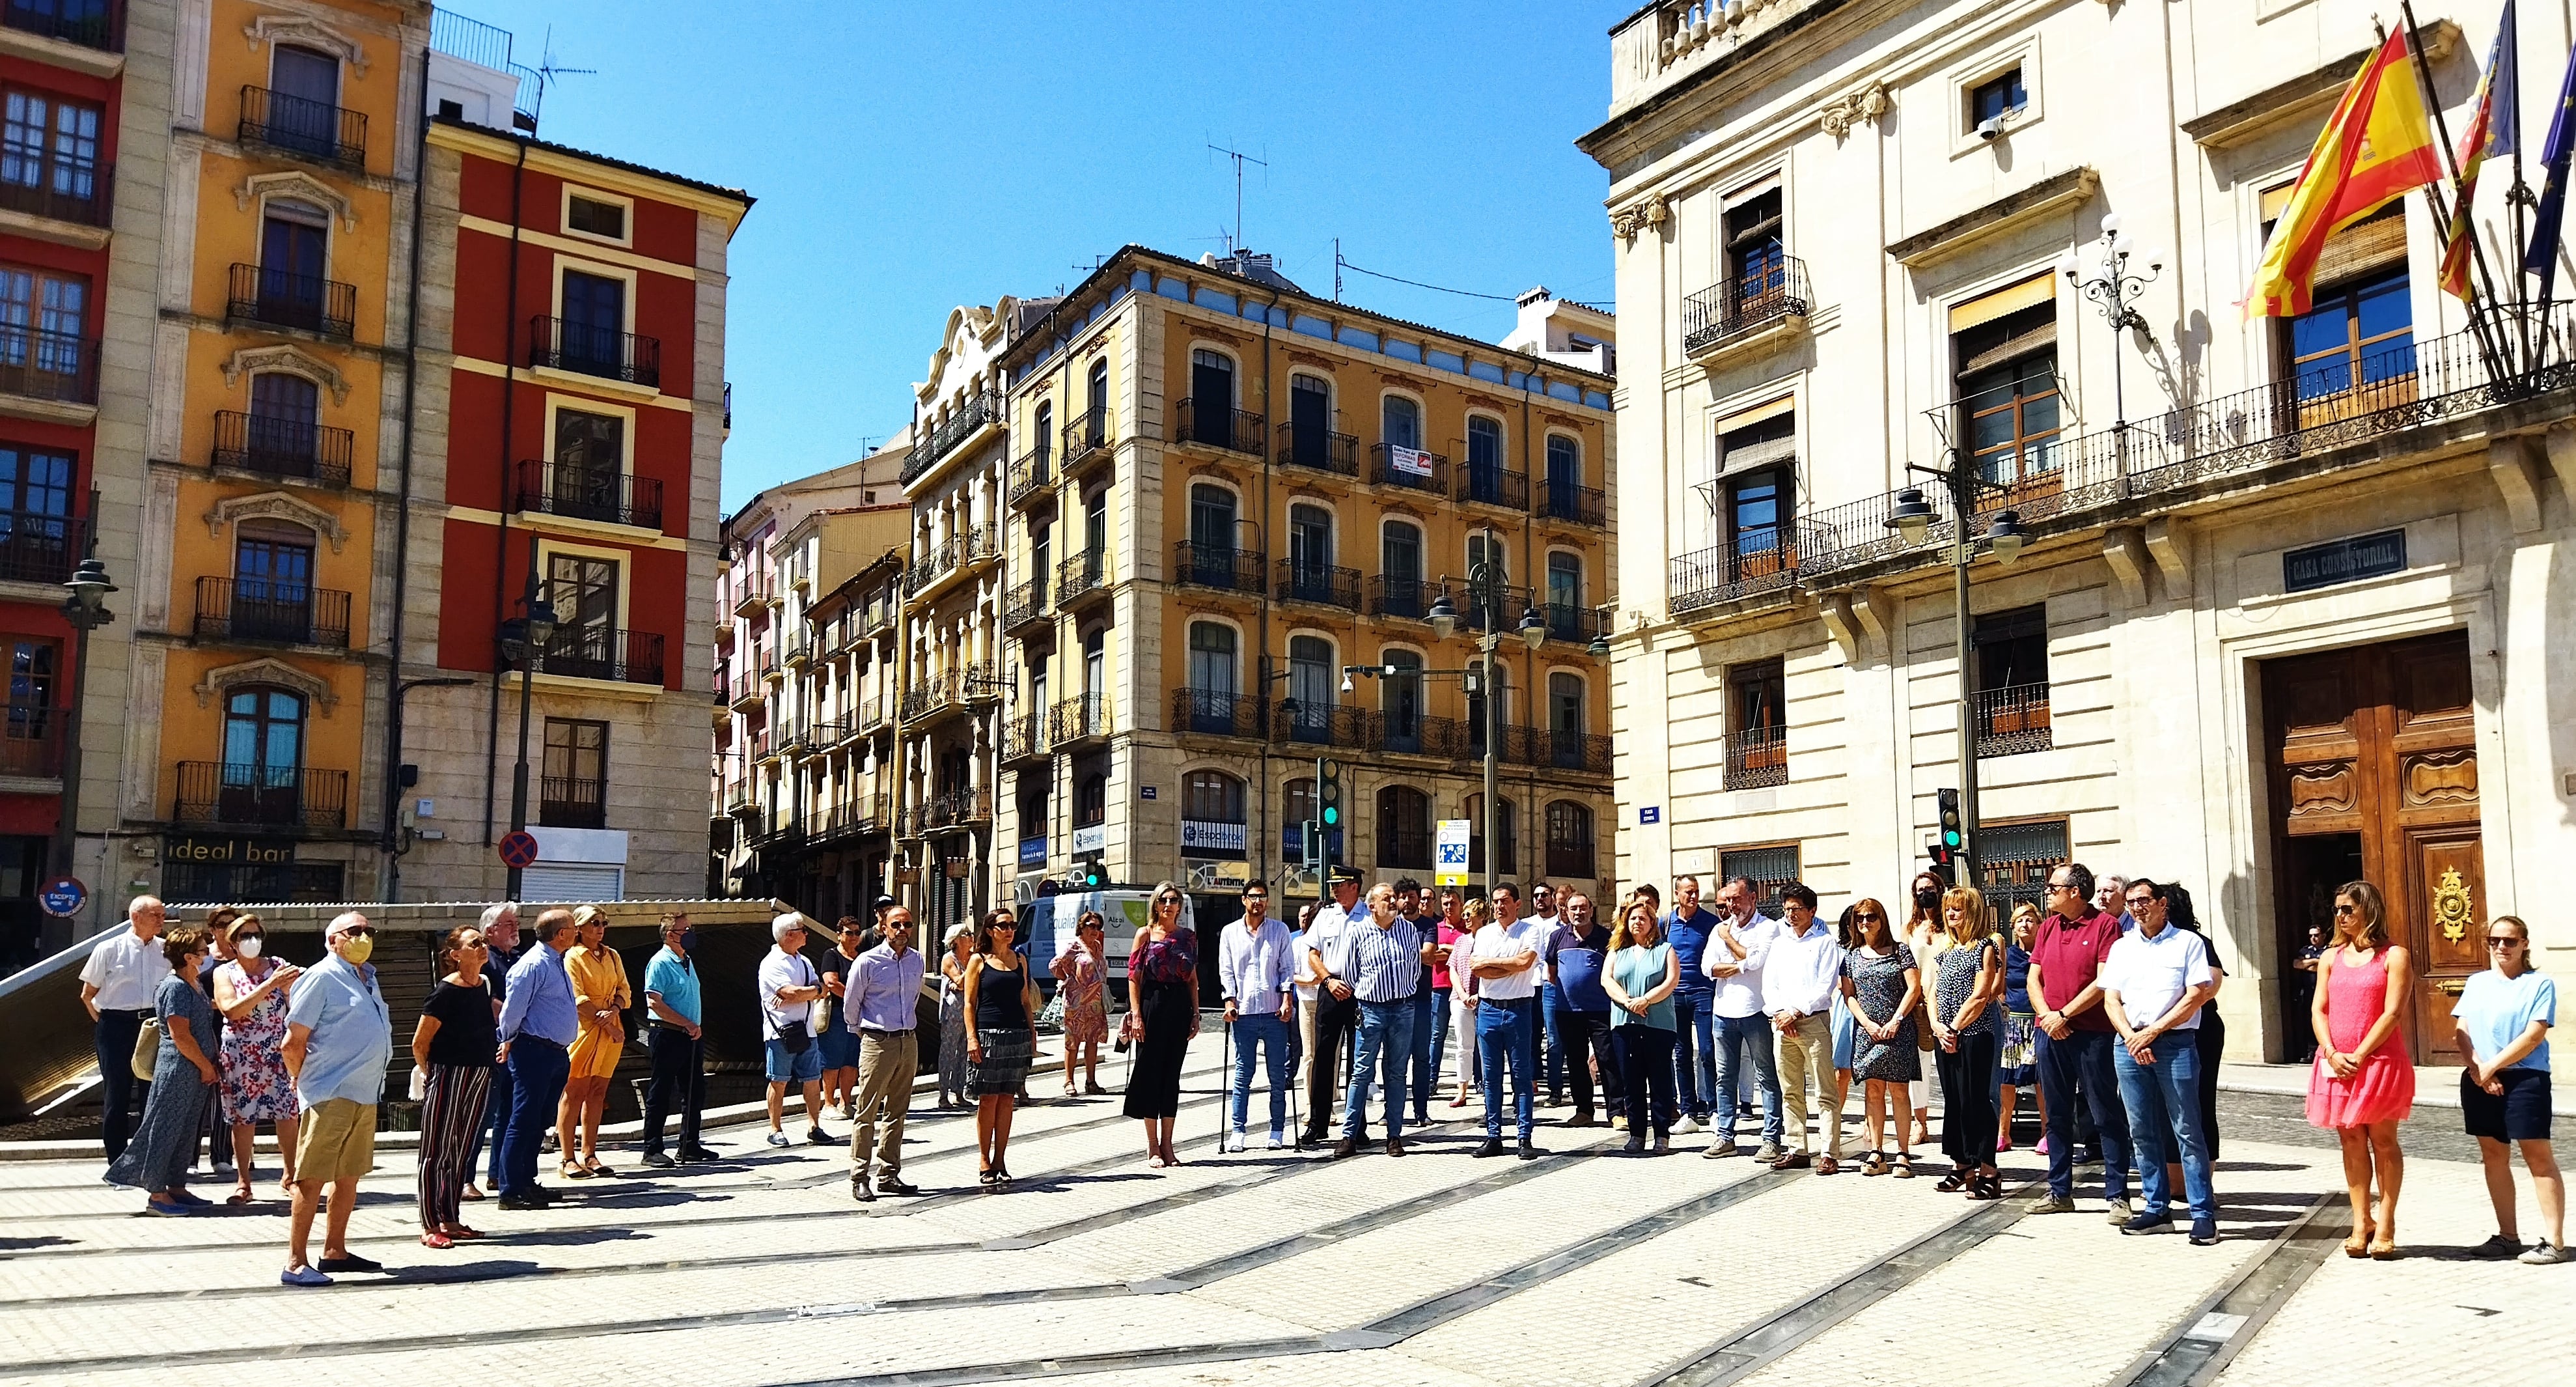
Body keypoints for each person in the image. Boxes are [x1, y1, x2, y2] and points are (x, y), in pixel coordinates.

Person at [2101, 878, 2221, 1244]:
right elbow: (2111, 999)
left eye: (2144, 900)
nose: (2138, 908)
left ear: (2162, 903)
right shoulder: (2122, 947)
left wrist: (2153, 1032)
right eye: (2132, 902)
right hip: (2129, 1044)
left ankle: (2202, 1214)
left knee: (2188, 1129)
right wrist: (2131, 1036)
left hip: (2174, 1044)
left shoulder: (2188, 943)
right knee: (2141, 1130)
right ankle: (2157, 1209)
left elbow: (2196, 995)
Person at [279, 912, 393, 1286]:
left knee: (348, 1176)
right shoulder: (321, 976)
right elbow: (293, 1042)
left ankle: (335, 1251)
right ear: (333, 940)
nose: (364, 937)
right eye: (355, 931)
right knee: (311, 1178)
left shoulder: (367, 977)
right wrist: (300, 1079)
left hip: (365, 1092)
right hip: (330, 1092)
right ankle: (296, 1262)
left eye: (368, 931)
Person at [2305, 879, 2414, 1258]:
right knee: (2350, 1141)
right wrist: (2332, 1052)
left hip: (2379, 1061)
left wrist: (2361, 1054)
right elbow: (2319, 1009)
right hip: (2336, 1063)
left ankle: (2386, 1222)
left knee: (2383, 1142)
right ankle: (2360, 1220)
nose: (2340, 916)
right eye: (2337, 910)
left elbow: (2393, 1012)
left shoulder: (2394, 956)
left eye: (2348, 909)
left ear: (2369, 909)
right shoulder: (2330, 957)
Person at [2025, 862, 2135, 1222]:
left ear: (2075, 891)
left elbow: (2104, 982)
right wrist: (2048, 1016)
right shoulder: (2048, 927)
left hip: (2092, 1035)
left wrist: (2065, 1015)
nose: (2047, 892)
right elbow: (2034, 979)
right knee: (2056, 1115)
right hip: (2050, 1032)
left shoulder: (2105, 926)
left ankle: (2118, 1195)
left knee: (2105, 1113)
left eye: (2053, 887)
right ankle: (2059, 1191)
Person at [2451, 916, 2564, 1264]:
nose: (2501, 947)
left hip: (2525, 1078)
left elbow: (2534, 1034)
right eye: (2494, 940)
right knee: (2493, 1156)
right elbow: (2462, 1030)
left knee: (2538, 1156)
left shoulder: (2539, 984)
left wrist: (2492, 1066)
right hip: (2479, 1077)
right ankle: (2507, 1236)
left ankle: (2555, 1242)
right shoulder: (2477, 982)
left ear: (2524, 944)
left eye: (2510, 941)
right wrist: (2479, 1070)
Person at [103, 925, 218, 1215]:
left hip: (196, 1071)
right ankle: (156, 1192)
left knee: (186, 1129)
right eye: (203, 950)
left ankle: (176, 1186)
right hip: (179, 1069)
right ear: (189, 957)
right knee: (165, 1129)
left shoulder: (194, 983)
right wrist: (205, 1065)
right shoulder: (175, 987)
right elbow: (180, 1035)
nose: (208, 954)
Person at [409, 925, 496, 1248]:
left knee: (461, 1148)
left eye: (483, 941)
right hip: (448, 1074)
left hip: (479, 1073)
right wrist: (430, 1074)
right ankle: (430, 1224)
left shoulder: (483, 984)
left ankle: (450, 1218)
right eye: (475, 943)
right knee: (436, 1150)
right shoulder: (445, 991)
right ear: (456, 954)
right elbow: (420, 1043)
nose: (483, 946)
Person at [210, 913, 301, 1203]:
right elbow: (231, 1010)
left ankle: (291, 1175)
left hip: (278, 1049)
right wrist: (269, 985)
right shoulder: (225, 973)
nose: (252, 941)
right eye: (245, 936)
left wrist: (286, 988)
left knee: (288, 1113)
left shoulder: (279, 966)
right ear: (233, 942)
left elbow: (298, 1002)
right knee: (242, 1117)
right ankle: (244, 1182)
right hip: (241, 1053)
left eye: (256, 935)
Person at [1331, 882, 1423, 1157]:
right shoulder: (1359, 932)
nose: (1393, 902)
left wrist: (1400, 992)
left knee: (1396, 1073)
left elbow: (1415, 969)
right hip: (1370, 1010)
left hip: (1403, 1010)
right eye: (1386, 898)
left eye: (1394, 897)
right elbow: (1351, 973)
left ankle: (1394, 1136)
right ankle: (1349, 1136)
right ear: (1372, 906)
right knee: (1361, 1073)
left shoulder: (1409, 930)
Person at [495, 908, 577, 1211]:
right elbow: (513, 1010)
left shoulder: (557, 961)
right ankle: (510, 1190)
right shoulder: (532, 965)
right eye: (573, 928)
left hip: (555, 1052)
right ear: (561, 934)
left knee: (539, 1121)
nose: (577, 932)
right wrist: (507, 1038)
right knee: (524, 1119)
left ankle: (527, 1182)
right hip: (533, 1051)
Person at [78, 895, 169, 1161]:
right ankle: (117, 1161)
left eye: (163, 916)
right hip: (116, 1025)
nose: (161, 921)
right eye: (156, 915)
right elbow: (87, 994)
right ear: (136, 917)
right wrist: (106, 1024)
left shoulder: (166, 949)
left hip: (153, 1024)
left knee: (152, 1094)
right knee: (117, 1094)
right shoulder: (109, 949)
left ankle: (145, 1159)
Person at [1930, 886, 2006, 1200]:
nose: (1951, 914)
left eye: (1958, 909)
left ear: (1972, 912)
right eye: (1948, 908)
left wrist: (1955, 1028)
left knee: (1977, 1101)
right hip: (1945, 1036)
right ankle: (1962, 1165)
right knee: (1955, 1101)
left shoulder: (1985, 946)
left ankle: (1988, 1170)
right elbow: (1932, 990)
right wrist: (1937, 1026)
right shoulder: (1945, 948)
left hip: (1974, 1035)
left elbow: (1981, 994)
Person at [847, 903, 926, 1201]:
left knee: (898, 1111)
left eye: (908, 924)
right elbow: (851, 1005)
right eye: (896, 925)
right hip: (877, 1042)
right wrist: (867, 1034)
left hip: (908, 1040)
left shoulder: (917, 960)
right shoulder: (867, 961)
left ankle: (889, 1174)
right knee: (867, 1111)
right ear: (883, 928)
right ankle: (859, 1176)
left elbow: (914, 998)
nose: (902, 930)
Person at [1764, 883, 1844, 1172]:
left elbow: (1825, 987)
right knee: (1790, 1090)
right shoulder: (1780, 944)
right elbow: (1769, 985)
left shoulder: (1825, 942)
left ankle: (1829, 1153)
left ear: (1812, 911)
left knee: (1825, 1090)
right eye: (1787, 909)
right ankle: (1797, 1148)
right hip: (1782, 1025)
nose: (1791, 914)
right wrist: (1780, 1014)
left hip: (1812, 1022)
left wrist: (1795, 1012)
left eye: (1797, 909)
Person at [1703, 875, 1784, 1160]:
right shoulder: (1718, 929)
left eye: (1737, 899)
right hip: (1723, 1012)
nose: (1731, 905)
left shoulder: (1768, 928)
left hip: (1756, 1011)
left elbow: (1758, 961)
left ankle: (1771, 1139)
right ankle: (1725, 1137)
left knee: (1766, 1076)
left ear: (1753, 897)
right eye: (1728, 900)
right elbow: (1707, 968)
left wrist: (1729, 942)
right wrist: (1740, 965)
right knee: (1725, 1077)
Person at [1466, 883, 1546, 1160]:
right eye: (1496, 901)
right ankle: (1494, 1136)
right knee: (1491, 1078)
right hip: (1488, 1010)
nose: (1499, 906)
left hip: (1518, 1010)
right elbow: (1477, 969)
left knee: (1521, 1077)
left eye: (1505, 901)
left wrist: (1493, 963)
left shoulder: (1530, 931)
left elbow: (1525, 963)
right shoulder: (1485, 933)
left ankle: (1524, 1137)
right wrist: (1508, 965)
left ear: (1517, 904)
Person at [1123, 885, 1200, 1164]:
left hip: (1179, 1005)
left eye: (1174, 900)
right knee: (1150, 1074)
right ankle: (1153, 1144)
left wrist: (1195, 1014)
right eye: (1163, 900)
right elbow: (1134, 977)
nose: (1168, 905)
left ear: (1180, 906)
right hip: (1152, 1003)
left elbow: (1192, 979)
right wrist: (1136, 1015)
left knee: (1172, 1076)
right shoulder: (1145, 934)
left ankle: (1168, 1144)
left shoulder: (1188, 937)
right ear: (1156, 905)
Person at [1842, 897, 1919, 1177]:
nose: (1865, 922)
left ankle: (1903, 1153)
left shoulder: (1900, 951)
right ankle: (1877, 1151)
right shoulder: (1851, 956)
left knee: (1899, 1089)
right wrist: (1867, 1024)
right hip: (1868, 1032)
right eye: (1860, 918)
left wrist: (1896, 1020)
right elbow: (1849, 995)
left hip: (1898, 1030)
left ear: (1881, 919)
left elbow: (1914, 988)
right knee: (1873, 1090)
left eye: (1871, 917)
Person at [963, 906, 1039, 1185]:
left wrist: (1032, 1032)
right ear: (990, 930)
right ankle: (984, 1159)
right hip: (988, 1035)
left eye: (1012, 926)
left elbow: (1025, 1000)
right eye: (1003, 926)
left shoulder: (1020, 959)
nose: (1009, 931)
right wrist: (972, 1037)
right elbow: (969, 1003)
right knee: (988, 1099)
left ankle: (1000, 1159)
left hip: (1016, 1035)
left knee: (1008, 1098)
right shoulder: (978, 960)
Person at [1219, 880, 1297, 1151]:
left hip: (1274, 1011)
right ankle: (1238, 1131)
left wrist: (1287, 999)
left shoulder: (1280, 930)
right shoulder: (1230, 932)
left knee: (1278, 1076)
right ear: (1244, 900)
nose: (1258, 901)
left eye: (1262, 896)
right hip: (1244, 1013)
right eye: (1253, 896)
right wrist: (1229, 1001)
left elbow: (1287, 968)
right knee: (1243, 1074)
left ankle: (1277, 1130)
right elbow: (1227, 971)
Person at [1602, 896, 1680, 1153]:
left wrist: (1646, 1000)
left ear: (1652, 922)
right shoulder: (1617, 950)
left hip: (1658, 1024)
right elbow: (1607, 980)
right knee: (1631, 1081)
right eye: (1633, 918)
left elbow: (1671, 981)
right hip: (1624, 1023)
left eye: (1643, 918)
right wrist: (1628, 1002)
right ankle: (1636, 1134)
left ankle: (1661, 1136)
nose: (1637, 922)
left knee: (1659, 1081)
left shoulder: (1665, 949)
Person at [559, 905, 628, 1179]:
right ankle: (567, 1158)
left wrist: (615, 1010)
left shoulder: (612, 955)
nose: (600, 928)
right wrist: (608, 1024)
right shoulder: (572, 956)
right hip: (585, 1030)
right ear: (579, 928)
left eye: (603, 923)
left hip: (612, 1029)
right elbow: (578, 998)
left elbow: (624, 989)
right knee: (575, 1091)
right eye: (594, 923)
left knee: (598, 1091)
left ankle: (590, 1153)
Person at [1300, 868, 1366, 1147]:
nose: (1335, 890)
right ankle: (1318, 1124)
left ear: (1355, 887)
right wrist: (1328, 980)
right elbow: (1313, 953)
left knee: (1358, 1060)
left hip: (1361, 991)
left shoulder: (1368, 915)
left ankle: (1357, 1126)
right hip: (1330, 988)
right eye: (1333, 885)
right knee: (1323, 1056)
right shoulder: (1326, 915)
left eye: (1340, 884)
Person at [640, 914, 712, 1167]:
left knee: (694, 1091)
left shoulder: (687, 960)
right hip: (668, 1034)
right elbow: (654, 1003)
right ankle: (652, 1149)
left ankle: (689, 1145)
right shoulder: (660, 962)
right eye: (686, 929)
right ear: (671, 935)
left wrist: (693, 1026)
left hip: (690, 1036)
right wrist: (686, 1023)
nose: (691, 933)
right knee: (661, 1091)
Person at [756, 912, 830, 1149]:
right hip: (781, 1032)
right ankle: (775, 1129)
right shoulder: (771, 963)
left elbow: (822, 989)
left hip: (807, 1031)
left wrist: (805, 993)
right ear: (789, 935)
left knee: (813, 1080)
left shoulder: (804, 961)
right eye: (802, 930)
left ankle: (814, 1126)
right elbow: (791, 993)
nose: (807, 934)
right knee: (779, 1081)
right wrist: (807, 993)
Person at [1551, 891, 1620, 1128]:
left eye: (1583, 908)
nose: (1578, 912)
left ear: (1591, 910)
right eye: (1574, 908)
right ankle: (1584, 1111)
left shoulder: (1606, 938)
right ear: (1566, 911)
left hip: (1601, 1010)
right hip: (1567, 1011)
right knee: (1576, 1061)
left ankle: (1616, 1112)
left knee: (1607, 1059)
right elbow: (1552, 974)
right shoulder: (1557, 937)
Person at [467, 903, 521, 1201]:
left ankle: (498, 1173)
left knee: (509, 1112)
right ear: (490, 931)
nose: (516, 928)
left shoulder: (519, 958)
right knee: (482, 1114)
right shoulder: (484, 960)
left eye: (516, 922)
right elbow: (491, 1002)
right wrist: (516, 1018)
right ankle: (465, 1178)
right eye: (508, 924)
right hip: (490, 1046)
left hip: (517, 1045)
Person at [1663, 876, 1720, 1132]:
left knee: (1708, 1051)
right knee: (1681, 1054)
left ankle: (1715, 1110)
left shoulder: (1710, 923)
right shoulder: (1666, 923)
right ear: (1677, 894)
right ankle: (1689, 1112)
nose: (1694, 896)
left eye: (1696, 891)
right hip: (1675, 995)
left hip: (1704, 993)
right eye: (1688, 892)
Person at [1902, 871, 1950, 1149]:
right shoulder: (1910, 929)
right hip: (1919, 1004)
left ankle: (1955, 1121)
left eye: (1930, 889)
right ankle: (1920, 1123)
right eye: (1920, 891)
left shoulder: (1951, 925)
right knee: (1918, 1067)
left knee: (1949, 1066)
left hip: (1948, 1002)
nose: (1925, 894)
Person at [1997, 903, 2042, 1155]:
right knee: (2006, 1080)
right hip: (2014, 1024)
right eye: (2020, 921)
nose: (2025, 925)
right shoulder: (2008, 955)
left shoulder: (2045, 951)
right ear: (2013, 927)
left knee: (2041, 1079)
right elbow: (2000, 986)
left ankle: (2047, 1133)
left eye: (2030, 920)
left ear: (2039, 924)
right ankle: (2003, 1133)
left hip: (2039, 1022)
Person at [1398, 878, 1443, 1127]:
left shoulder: (1428, 925)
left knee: (1421, 1057)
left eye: (1412, 896)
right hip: (1395, 1001)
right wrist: (1418, 954)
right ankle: (1392, 1111)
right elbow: (1422, 955)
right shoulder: (1391, 924)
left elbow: (1429, 957)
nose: (1408, 901)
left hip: (1422, 999)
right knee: (1396, 1060)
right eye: (1403, 896)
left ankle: (1421, 1110)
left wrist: (1397, 954)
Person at [1052, 910, 1111, 1098]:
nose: (1095, 930)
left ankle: (1091, 1081)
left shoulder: (1098, 947)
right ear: (1082, 927)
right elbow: (1054, 965)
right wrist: (1067, 979)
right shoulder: (1074, 946)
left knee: (1093, 1041)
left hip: (1095, 1003)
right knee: (1073, 1042)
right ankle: (1069, 1081)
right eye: (1091, 926)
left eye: (1098, 927)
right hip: (1076, 1003)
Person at [818, 916, 866, 1119]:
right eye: (849, 933)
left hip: (860, 1016)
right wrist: (854, 998)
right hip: (837, 1015)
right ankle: (828, 1103)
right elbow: (831, 983)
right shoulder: (831, 955)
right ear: (839, 935)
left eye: (857, 933)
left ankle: (845, 1102)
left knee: (852, 1059)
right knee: (832, 1059)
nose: (854, 936)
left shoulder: (863, 957)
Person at [1427, 887, 1468, 1108]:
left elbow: (1471, 953)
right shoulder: (1435, 928)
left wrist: (1447, 949)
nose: (1449, 907)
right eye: (1446, 904)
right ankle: (1431, 1079)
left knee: (1469, 1037)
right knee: (1437, 1035)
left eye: (1453, 903)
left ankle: (1477, 1080)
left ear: (1460, 904)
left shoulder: (1468, 928)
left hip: (1465, 989)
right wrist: (1455, 951)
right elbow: (1432, 956)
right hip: (1440, 987)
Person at [1529, 880, 1566, 1107]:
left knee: (1554, 1039)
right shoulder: (1527, 924)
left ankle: (1555, 1088)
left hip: (1553, 984)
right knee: (1531, 1035)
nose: (1540, 899)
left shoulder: (1560, 924)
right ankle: (1532, 1080)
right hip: (1531, 985)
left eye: (1544, 895)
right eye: (1536, 896)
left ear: (1552, 898)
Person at [937, 923, 974, 1108]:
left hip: (969, 1011)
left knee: (964, 1053)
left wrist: (963, 979)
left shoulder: (973, 958)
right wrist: (970, 972)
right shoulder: (949, 959)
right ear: (956, 940)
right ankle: (943, 1095)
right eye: (966, 934)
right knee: (948, 1052)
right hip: (952, 1012)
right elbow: (959, 982)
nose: (971, 936)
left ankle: (959, 1093)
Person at [2288, 924, 2328, 1063]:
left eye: (2316, 935)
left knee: (2325, 1020)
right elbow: (2297, 964)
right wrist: (2316, 962)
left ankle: (2326, 1050)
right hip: (2308, 993)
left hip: (2325, 992)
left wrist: (2308, 964)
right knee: (2309, 1021)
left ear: (2323, 936)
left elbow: (2328, 965)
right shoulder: (2305, 950)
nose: (2313, 938)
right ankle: (2311, 1051)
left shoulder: (2329, 951)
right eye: (2311, 936)